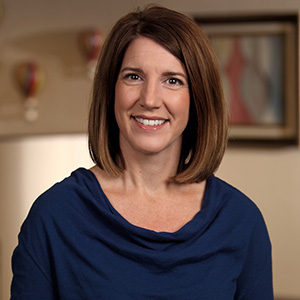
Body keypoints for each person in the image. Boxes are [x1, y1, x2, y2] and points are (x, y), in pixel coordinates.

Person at [10, 5, 273, 300]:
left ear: (197, 98)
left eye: (172, 80)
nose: (149, 99)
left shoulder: (241, 221)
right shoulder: (54, 216)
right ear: (111, 91)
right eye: (133, 76)